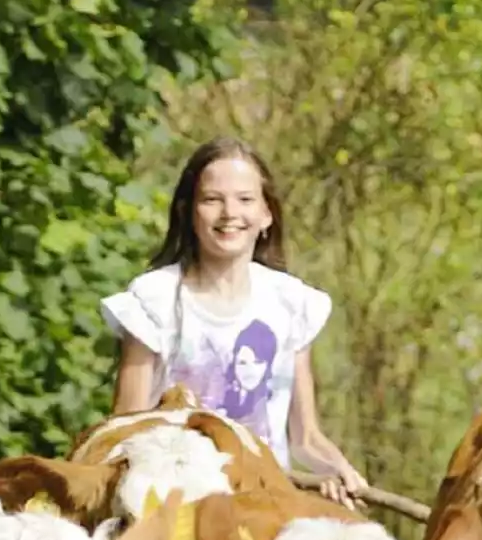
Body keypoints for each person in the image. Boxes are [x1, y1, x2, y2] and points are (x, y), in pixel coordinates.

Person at [101, 138, 365, 503]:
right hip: (172, 501)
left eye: (245, 199)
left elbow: (305, 438)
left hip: (265, 500)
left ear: (266, 214)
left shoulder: (291, 304)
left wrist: (335, 469)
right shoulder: (154, 301)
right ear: (188, 212)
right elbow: (124, 427)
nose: (229, 213)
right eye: (212, 200)